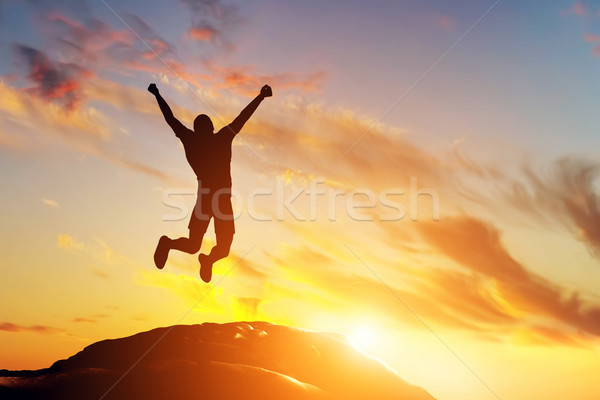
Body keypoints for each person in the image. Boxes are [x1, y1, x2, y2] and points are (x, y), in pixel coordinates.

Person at [148, 83, 272, 282]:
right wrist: (260, 97)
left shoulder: (193, 139)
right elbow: (241, 118)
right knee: (212, 248)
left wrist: (157, 94)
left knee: (204, 247)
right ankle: (176, 248)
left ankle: (203, 259)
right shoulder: (219, 138)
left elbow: (171, 120)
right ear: (210, 129)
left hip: (210, 198)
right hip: (216, 198)